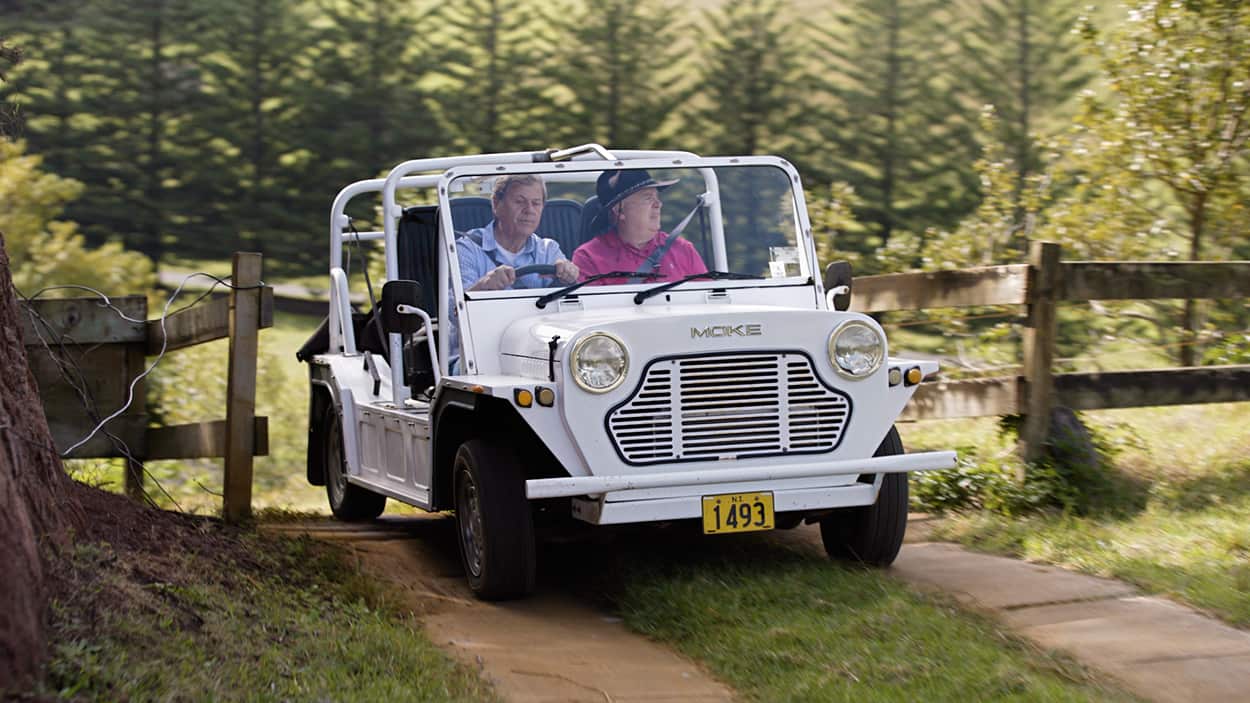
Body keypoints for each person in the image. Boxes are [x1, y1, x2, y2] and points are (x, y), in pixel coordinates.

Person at [572, 169, 707, 284]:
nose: (658, 204)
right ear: (619, 210)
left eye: (657, 197)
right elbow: (595, 313)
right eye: (648, 198)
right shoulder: (588, 257)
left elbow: (708, 303)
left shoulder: (683, 249)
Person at [457, 174, 579, 291]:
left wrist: (569, 277)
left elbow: (574, 304)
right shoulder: (467, 249)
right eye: (519, 201)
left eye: (536, 203)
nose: (529, 210)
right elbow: (453, 309)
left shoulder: (548, 250)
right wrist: (484, 285)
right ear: (496, 204)